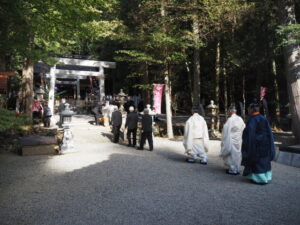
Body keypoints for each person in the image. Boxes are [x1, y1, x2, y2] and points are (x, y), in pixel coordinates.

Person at [241, 102, 275, 184]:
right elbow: (269, 132)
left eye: (248, 109)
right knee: (264, 160)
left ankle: (260, 179)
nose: (248, 110)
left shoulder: (252, 119)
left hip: (256, 143)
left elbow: (249, 133)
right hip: (265, 142)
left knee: (257, 160)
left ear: (251, 109)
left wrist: (247, 143)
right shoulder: (263, 118)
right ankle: (266, 176)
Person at [220, 106, 245, 175]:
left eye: (228, 111)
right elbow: (243, 127)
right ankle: (236, 168)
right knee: (237, 154)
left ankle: (233, 169)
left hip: (231, 139)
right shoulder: (240, 119)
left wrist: (224, 139)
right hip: (238, 139)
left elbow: (226, 130)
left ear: (231, 111)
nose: (228, 112)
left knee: (231, 154)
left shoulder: (230, 120)